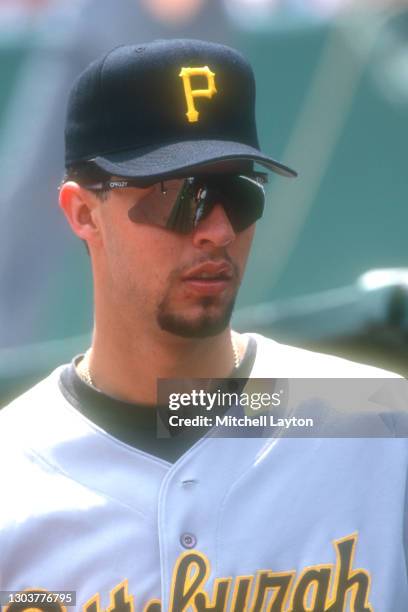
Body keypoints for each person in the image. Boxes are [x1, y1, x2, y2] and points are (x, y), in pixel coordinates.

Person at [0, 39, 407, 612]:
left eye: (238, 193)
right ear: (83, 213)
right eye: (177, 195)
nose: (216, 230)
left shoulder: (380, 422)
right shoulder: (12, 472)